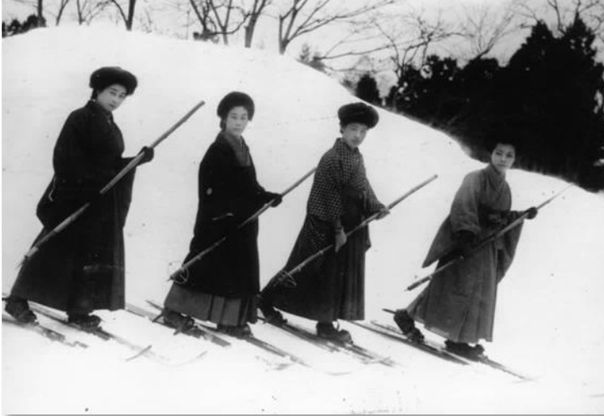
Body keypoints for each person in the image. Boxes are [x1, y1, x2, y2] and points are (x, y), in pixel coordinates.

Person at [5, 66, 153, 329]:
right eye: (112, 92)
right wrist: (88, 185)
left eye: (121, 96)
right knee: (54, 248)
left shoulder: (110, 123)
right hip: (75, 196)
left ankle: (79, 309)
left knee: (88, 255)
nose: (116, 99)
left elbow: (110, 165)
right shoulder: (80, 118)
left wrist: (135, 161)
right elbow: (65, 158)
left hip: (98, 200)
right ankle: (17, 300)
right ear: (97, 90)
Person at [393, 136, 537, 357]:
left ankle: (457, 337)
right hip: (468, 242)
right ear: (491, 153)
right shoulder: (475, 178)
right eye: (499, 153)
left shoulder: (505, 188)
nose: (503, 159)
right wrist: (465, 236)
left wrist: (521, 216)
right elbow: (463, 205)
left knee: (476, 292)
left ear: (515, 159)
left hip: (487, 247)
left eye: (509, 155)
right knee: (452, 287)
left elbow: (501, 217)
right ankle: (422, 322)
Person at [259, 102, 388, 343]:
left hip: (348, 225)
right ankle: (266, 299)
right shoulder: (332, 158)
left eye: (363, 131)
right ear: (341, 129)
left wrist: (375, 206)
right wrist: (337, 229)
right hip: (325, 223)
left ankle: (326, 322)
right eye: (353, 129)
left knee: (334, 275)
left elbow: (363, 187)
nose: (358, 136)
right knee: (306, 266)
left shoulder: (356, 157)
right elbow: (329, 196)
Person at [162, 91, 282, 338]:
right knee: (204, 265)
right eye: (234, 116)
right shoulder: (217, 150)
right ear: (223, 118)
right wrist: (227, 212)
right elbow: (211, 189)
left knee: (237, 271)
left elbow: (249, 185)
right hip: (219, 222)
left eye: (244, 117)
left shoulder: (242, 147)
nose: (239, 122)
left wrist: (265, 196)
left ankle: (229, 320)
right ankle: (174, 309)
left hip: (241, 223)